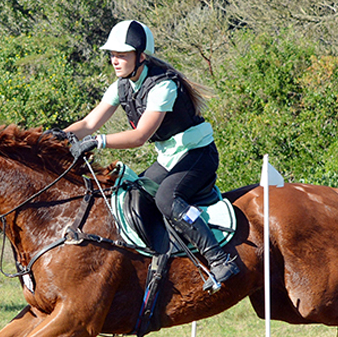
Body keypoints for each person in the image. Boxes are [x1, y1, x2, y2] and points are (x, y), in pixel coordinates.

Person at [64, 20, 239, 292]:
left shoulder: (164, 86)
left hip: (198, 155)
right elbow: (88, 124)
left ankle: (219, 259)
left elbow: (140, 136)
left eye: (122, 55)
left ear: (141, 56)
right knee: (133, 195)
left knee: (167, 198)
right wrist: (56, 138)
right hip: (171, 158)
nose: (115, 60)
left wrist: (99, 142)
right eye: (112, 54)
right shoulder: (121, 86)